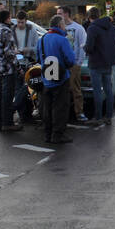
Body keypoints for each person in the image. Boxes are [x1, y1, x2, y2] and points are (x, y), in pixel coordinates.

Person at [84, 6, 115, 126]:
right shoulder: (109, 26)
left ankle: (98, 117)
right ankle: (108, 116)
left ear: (89, 17)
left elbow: (89, 47)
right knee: (108, 90)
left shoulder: (92, 28)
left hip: (96, 62)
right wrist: (111, 45)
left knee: (97, 91)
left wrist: (84, 48)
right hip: (108, 62)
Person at [36, 15, 75, 144]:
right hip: (61, 76)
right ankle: (58, 134)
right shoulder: (62, 40)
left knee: (47, 107)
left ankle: (47, 133)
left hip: (46, 77)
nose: (65, 26)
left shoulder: (41, 39)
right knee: (60, 107)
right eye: (63, 24)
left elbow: (37, 58)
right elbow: (70, 60)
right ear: (59, 25)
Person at [0, 10, 21, 132]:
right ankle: (7, 122)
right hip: (7, 69)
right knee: (6, 96)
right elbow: (9, 53)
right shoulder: (6, 31)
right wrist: (18, 67)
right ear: (7, 18)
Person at [13, 11, 43, 123]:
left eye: (22, 22)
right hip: (16, 63)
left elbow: (37, 46)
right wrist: (14, 51)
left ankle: (26, 113)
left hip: (28, 62)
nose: (20, 25)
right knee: (18, 89)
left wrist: (28, 49)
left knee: (27, 89)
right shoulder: (12, 30)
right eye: (18, 22)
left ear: (26, 20)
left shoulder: (32, 30)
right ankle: (22, 114)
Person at [60, 6, 88, 122]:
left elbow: (83, 45)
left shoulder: (78, 28)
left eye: (60, 13)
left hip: (73, 63)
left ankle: (79, 112)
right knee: (62, 90)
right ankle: (63, 113)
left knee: (75, 89)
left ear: (66, 14)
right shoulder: (58, 28)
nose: (58, 16)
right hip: (61, 64)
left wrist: (78, 62)